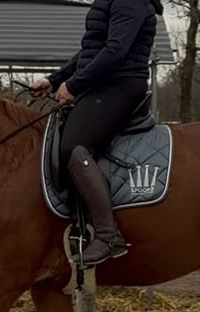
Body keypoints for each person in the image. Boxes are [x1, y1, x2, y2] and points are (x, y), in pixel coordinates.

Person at [31, 0, 164, 266]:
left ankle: (108, 235)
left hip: (121, 85)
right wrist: (55, 80)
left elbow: (115, 51)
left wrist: (74, 85)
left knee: (73, 146)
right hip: (104, 83)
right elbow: (91, 51)